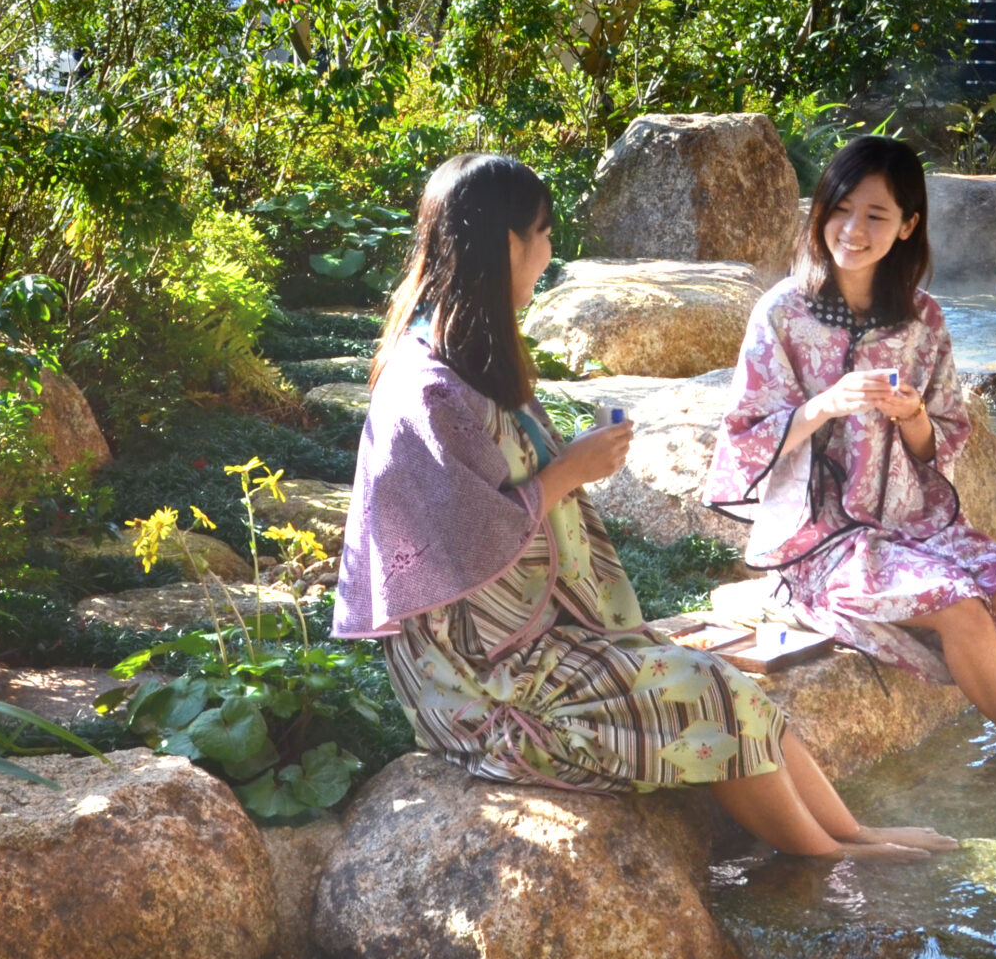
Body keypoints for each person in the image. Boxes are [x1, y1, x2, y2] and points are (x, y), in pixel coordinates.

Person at [332, 151, 956, 860]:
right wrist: (569, 471)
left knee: (723, 680)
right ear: (508, 245)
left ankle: (852, 831)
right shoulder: (428, 387)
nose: (547, 256)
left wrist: (571, 463)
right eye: (542, 236)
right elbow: (466, 540)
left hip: (527, 643)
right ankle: (829, 855)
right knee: (705, 693)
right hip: (482, 684)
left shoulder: (467, 355)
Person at [709, 135, 996, 757]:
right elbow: (744, 437)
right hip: (822, 540)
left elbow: (940, 443)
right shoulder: (781, 314)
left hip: (913, 523)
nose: (853, 229)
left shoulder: (925, 321)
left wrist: (914, 413)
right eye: (840, 208)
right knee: (963, 608)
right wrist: (824, 403)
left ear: (907, 225)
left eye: (876, 215)